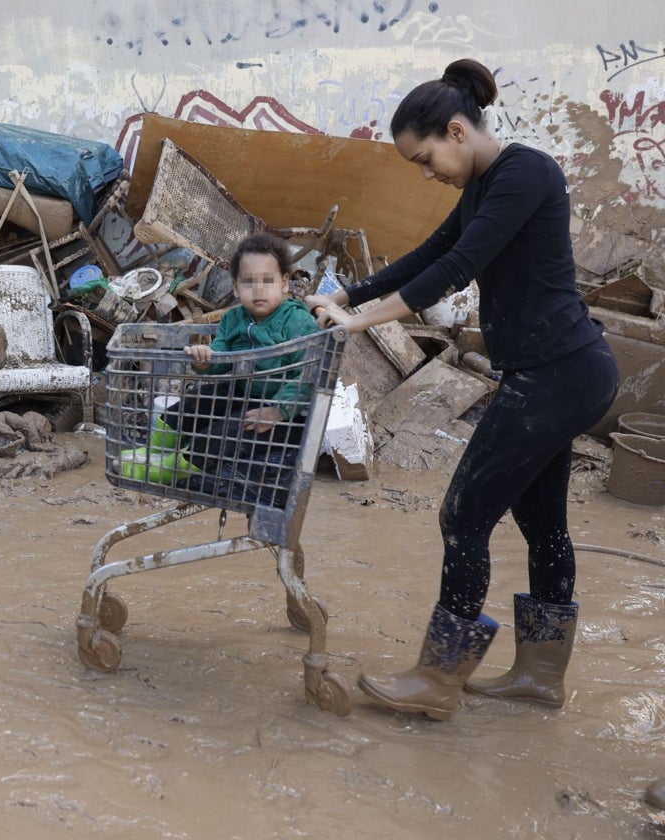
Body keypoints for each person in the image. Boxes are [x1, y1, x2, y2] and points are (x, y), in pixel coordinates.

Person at [304, 58, 619, 721]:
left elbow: (455, 268)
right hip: (556, 372)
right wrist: (345, 292)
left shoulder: (525, 172)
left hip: (559, 374)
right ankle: (539, 676)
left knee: (462, 515)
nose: (428, 173)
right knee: (541, 523)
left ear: (455, 129)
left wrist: (359, 320)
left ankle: (438, 678)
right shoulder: (483, 187)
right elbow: (429, 250)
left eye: (426, 158)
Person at [173, 231, 319, 485]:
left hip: (285, 415)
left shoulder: (297, 321)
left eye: (268, 281)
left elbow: (310, 372)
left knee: (224, 433)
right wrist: (205, 360)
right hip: (246, 395)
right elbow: (220, 357)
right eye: (249, 282)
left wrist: (279, 410)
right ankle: (158, 445)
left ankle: (178, 465)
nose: (258, 290)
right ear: (236, 286)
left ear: (284, 283)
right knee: (200, 399)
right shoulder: (233, 318)